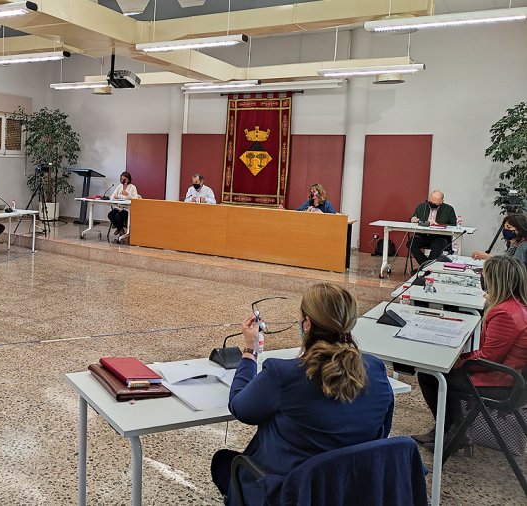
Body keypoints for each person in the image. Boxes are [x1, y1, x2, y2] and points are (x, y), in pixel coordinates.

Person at [210, 283, 394, 505]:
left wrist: (250, 351)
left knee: (222, 463)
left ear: (307, 323)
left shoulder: (283, 374)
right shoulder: (374, 368)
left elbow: (241, 408)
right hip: (351, 489)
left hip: (293, 492)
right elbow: (383, 429)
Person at [413, 255, 527, 448]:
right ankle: (448, 429)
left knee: (430, 375)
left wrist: (457, 360)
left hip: (503, 382)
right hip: (510, 377)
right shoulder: (516, 306)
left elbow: (487, 358)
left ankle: (454, 433)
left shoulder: (505, 313)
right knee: (442, 371)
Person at [409, 190, 457, 266]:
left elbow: (453, 225)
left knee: (437, 246)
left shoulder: (449, 209)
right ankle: (425, 266)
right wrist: (412, 219)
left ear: (441, 201)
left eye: (435, 204)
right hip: (423, 235)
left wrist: (438, 224)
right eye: (430, 202)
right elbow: (412, 219)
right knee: (411, 243)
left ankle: (425, 267)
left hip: (440, 237)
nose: (432, 205)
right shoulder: (421, 207)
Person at [107, 171, 141, 237]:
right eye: (122, 179)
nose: (123, 180)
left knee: (118, 216)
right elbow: (112, 197)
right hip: (118, 207)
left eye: (125, 179)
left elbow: (136, 199)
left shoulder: (132, 187)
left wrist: (127, 195)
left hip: (127, 209)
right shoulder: (119, 186)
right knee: (110, 215)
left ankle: (119, 228)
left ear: (128, 179)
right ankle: (120, 228)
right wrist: (116, 197)